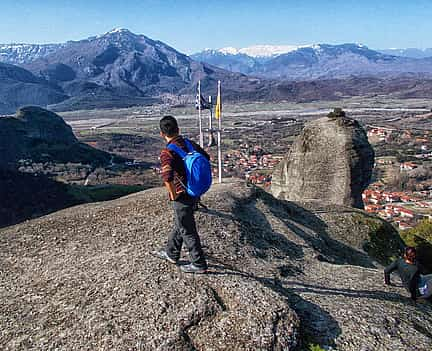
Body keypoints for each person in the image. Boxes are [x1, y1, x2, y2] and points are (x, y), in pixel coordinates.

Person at [153, 115, 209, 274]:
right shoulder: (189, 144)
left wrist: (173, 195)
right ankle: (171, 253)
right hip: (194, 191)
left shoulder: (167, 152)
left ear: (162, 133)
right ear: (178, 129)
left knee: (187, 229)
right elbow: (206, 157)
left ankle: (199, 263)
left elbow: (167, 176)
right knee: (181, 223)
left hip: (181, 194)